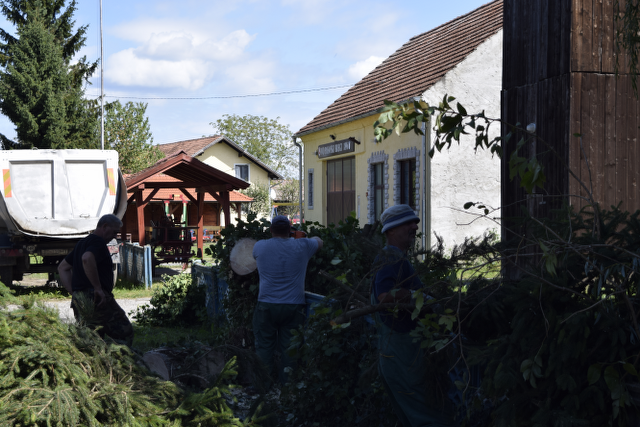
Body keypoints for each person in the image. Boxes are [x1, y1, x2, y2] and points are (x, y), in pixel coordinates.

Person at [372, 205, 454, 427]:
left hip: (398, 352)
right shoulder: (391, 257)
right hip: (402, 355)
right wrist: (419, 296)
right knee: (428, 417)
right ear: (390, 230)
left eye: (415, 222)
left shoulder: (396, 257)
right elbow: (384, 296)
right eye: (407, 223)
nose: (415, 227)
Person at [252, 215, 323, 386]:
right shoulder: (303, 245)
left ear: (271, 230)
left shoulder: (260, 246)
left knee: (264, 347)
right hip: (294, 306)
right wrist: (302, 236)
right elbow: (320, 242)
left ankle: (263, 385)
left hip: (266, 305)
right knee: (290, 347)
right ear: (290, 230)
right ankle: (288, 386)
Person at [58, 214, 134, 346]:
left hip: (80, 299)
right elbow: (87, 258)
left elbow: (62, 268)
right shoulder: (98, 242)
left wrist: (75, 292)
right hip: (96, 298)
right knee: (124, 331)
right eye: (114, 232)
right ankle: (121, 357)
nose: (114, 237)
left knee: (91, 338)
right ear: (105, 227)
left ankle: (97, 357)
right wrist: (97, 289)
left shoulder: (82, 243)